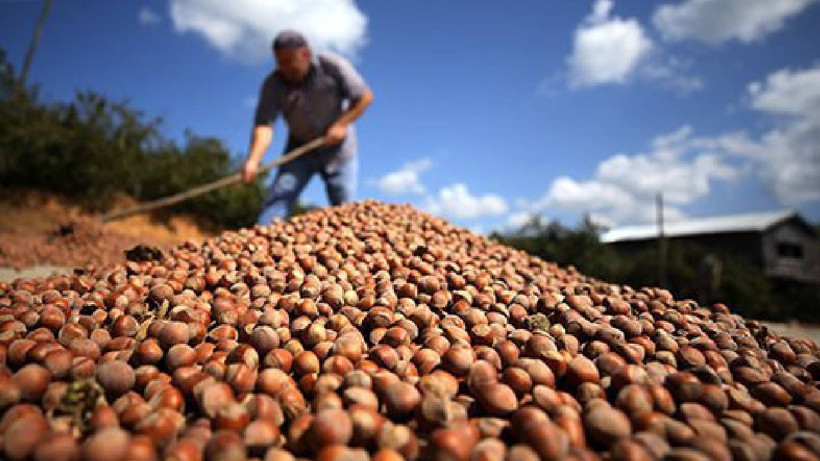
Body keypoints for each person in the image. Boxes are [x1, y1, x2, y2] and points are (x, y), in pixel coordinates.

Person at [242, 30, 374, 225]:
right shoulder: (273, 85)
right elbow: (264, 125)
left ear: (305, 54)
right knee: (278, 198)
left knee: (344, 208)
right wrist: (253, 160)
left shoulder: (333, 66)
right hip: (300, 149)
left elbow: (364, 97)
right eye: (280, 62)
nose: (284, 68)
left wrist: (341, 124)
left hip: (339, 150)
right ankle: (260, 241)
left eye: (289, 61)